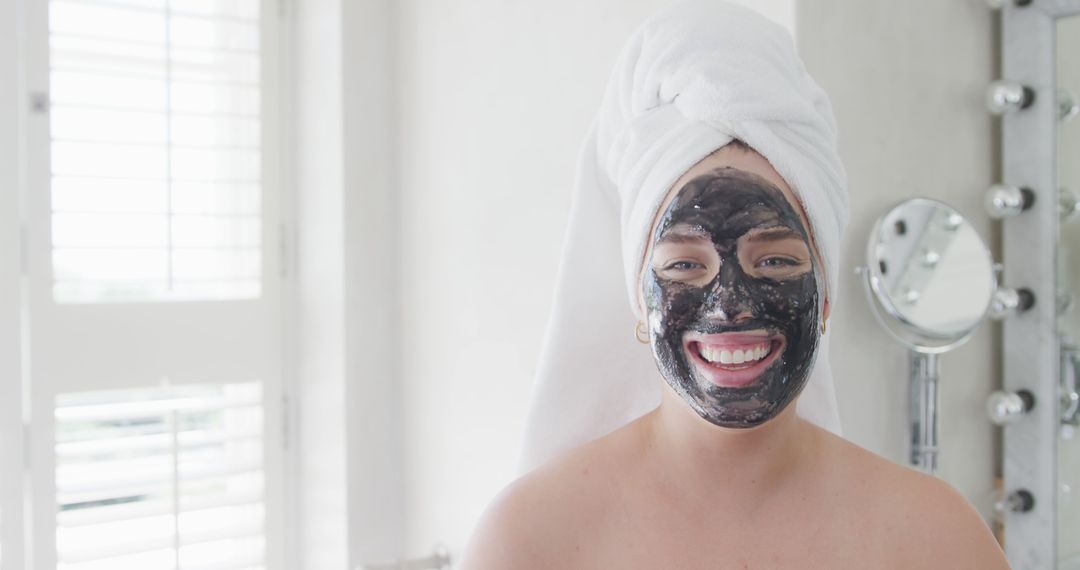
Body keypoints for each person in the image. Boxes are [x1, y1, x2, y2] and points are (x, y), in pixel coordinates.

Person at [460, 2, 1010, 568]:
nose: (728, 305)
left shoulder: (935, 539)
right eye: (683, 267)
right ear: (638, 298)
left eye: (773, 263)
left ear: (824, 297)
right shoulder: (528, 539)